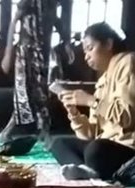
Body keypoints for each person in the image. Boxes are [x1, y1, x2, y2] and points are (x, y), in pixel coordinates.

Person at [50, 23, 135, 180]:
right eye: (85, 51)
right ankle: (89, 172)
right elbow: (90, 135)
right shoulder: (103, 80)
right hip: (106, 146)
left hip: (128, 147)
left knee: (96, 148)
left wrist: (91, 101)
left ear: (108, 44)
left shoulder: (128, 62)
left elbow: (127, 117)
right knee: (58, 143)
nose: (86, 56)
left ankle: (91, 171)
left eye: (90, 48)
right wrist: (74, 113)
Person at [0, 0, 63, 140]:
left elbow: (56, 20)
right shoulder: (27, 2)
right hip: (25, 51)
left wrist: (67, 42)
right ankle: (13, 123)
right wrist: (8, 52)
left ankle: (44, 127)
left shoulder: (51, 4)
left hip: (43, 51)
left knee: (41, 90)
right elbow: (14, 21)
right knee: (22, 89)